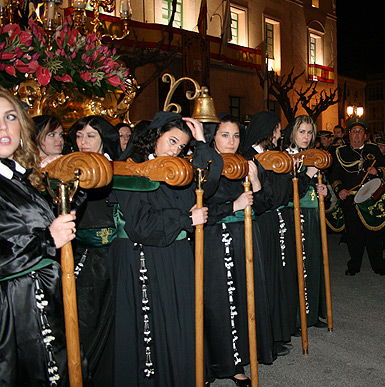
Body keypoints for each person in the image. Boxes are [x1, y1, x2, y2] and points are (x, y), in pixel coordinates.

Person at [109, 111, 221, 386]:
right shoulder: (132, 170)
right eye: (171, 141)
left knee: (181, 325)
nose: (176, 150)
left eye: (181, 146)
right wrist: (186, 219)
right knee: (155, 329)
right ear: (154, 136)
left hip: (176, 258)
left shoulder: (174, 172)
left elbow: (209, 180)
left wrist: (200, 142)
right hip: (147, 259)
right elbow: (141, 225)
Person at [0, 89, 81, 385]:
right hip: (13, 307)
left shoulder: (17, 176)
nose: (3, 127)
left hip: (43, 294)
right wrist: (49, 240)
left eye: (9, 117)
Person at [203, 115, 274, 386]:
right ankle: (212, 364)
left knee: (245, 298)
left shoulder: (247, 163)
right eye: (225, 135)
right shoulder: (206, 164)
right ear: (213, 137)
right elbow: (198, 210)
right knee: (218, 302)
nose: (231, 141)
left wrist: (255, 182)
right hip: (214, 240)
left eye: (235, 136)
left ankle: (237, 362)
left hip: (245, 237)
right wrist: (233, 206)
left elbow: (264, 203)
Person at [68, 115, 122, 384]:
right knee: (84, 321)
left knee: (115, 321)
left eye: (90, 136)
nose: (83, 142)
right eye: (79, 136)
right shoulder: (66, 169)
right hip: (85, 258)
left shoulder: (119, 168)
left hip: (117, 255)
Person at [243, 111, 297, 356]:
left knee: (275, 277)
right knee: (262, 280)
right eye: (276, 129)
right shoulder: (250, 158)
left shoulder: (274, 157)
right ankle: (264, 339)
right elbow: (266, 197)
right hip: (259, 224)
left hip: (272, 221)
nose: (279, 134)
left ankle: (275, 334)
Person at [329, 117, 385, 276]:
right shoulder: (340, 152)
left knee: (374, 234)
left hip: (371, 200)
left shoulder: (373, 149)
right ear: (349, 134)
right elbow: (334, 175)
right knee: (353, 234)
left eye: (360, 132)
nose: (357, 135)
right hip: (350, 199)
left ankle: (379, 266)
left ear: (365, 135)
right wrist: (340, 190)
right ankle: (354, 265)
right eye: (354, 131)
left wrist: (377, 171)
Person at [285, 115, 329, 330]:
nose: (306, 136)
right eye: (302, 131)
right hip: (295, 215)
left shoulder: (315, 156)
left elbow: (322, 187)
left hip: (313, 216)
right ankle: (295, 318)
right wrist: (309, 175)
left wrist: (325, 191)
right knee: (297, 267)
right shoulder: (285, 157)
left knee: (314, 264)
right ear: (293, 132)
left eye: (309, 132)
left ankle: (312, 314)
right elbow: (286, 192)